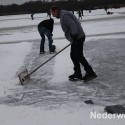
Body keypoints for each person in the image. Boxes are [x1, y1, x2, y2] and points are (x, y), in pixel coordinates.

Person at [50, 5, 97, 82]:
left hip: (78, 37)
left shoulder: (64, 15)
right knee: (73, 55)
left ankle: (91, 73)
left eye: (52, 13)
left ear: (56, 11)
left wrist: (75, 36)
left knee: (79, 56)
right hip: (76, 38)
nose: (52, 15)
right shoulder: (63, 14)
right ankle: (78, 73)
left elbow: (73, 24)